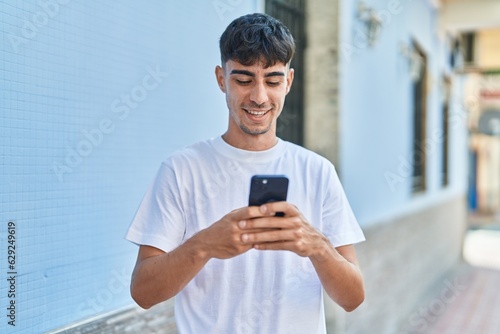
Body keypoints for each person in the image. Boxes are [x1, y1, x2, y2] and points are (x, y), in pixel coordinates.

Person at [126, 13, 365, 334]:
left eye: (273, 80)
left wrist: (316, 246)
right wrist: (204, 245)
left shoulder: (317, 171)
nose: (259, 96)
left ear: (289, 82)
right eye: (243, 79)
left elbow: (353, 298)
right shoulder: (181, 169)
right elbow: (143, 293)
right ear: (221, 79)